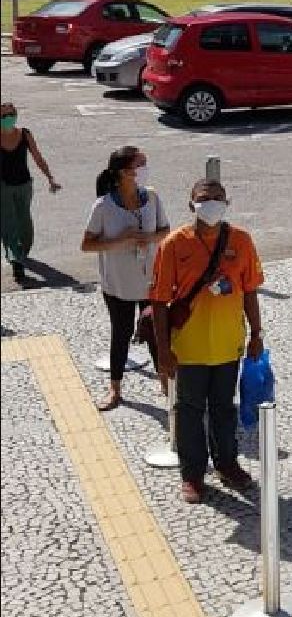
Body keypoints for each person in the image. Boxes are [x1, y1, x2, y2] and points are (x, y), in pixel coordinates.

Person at [150, 177, 265, 504]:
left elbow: (251, 290)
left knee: (223, 409)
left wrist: (256, 333)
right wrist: (163, 351)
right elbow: (158, 301)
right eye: (204, 198)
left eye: (217, 197)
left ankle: (227, 464)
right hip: (188, 347)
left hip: (228, 344)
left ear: (227, 203)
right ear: (191, 205)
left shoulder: (241, 240)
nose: (211, 203)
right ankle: (192, 474)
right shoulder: (173, 244)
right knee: (188, 411)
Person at [82, 146, 170, 411]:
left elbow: (165, 229)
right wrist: (122, 241)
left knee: (156, 332)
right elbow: (87, 244)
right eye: (139, 164)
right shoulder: (104, 205)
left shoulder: (152, 197)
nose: (144, 168)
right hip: (118, 284)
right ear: (123, 172)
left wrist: (149, 238)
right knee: (121, 333)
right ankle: (115, 387)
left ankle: (166, 382)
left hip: (150, 281)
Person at [1, 100, 61, 284]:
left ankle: (20, 253)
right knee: (9, 225)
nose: (8, 118)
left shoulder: (25, 134)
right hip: (3, 187)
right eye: (3, 116)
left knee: (25, 224)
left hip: (24, 185)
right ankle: (16, 263)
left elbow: (37, 157)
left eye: (11, 114)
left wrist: (50, 178)